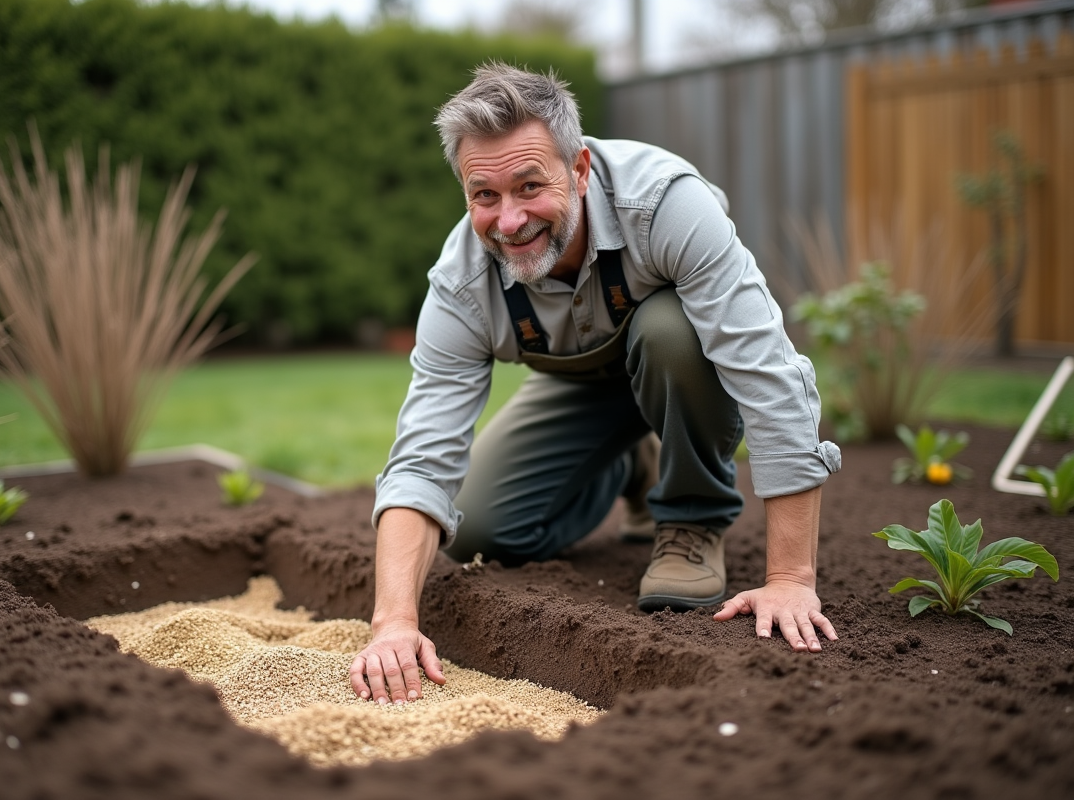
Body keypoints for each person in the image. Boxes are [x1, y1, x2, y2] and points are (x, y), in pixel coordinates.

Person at [349, 63, 842, 705]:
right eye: (484, 195)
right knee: (481, 532)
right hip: (582, 391)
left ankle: (692, 517)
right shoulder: (461, 285)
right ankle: (633, 463)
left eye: (530, 186)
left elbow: (770, 378)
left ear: (579, 170)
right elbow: (422, 455)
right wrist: (393, 623)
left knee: (670, 331)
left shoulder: (666, 205)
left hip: (682, 367)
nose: (509, 220)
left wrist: (790, 578)